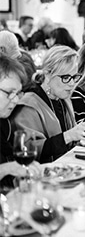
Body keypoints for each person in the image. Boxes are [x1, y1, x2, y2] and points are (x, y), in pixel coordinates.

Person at [11, 46, 85, 163]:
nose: (72, 83)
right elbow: (29, 149)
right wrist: (69, 136)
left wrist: (80, 138)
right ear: (48, 74)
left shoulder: (62, 98)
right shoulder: (28, 104)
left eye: (74, 77)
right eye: (66, 77)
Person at [0, 56, 41, 184]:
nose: (16, 100)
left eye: (18, 93)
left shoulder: (4, 124)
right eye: (10, 92)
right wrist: (6, 169)